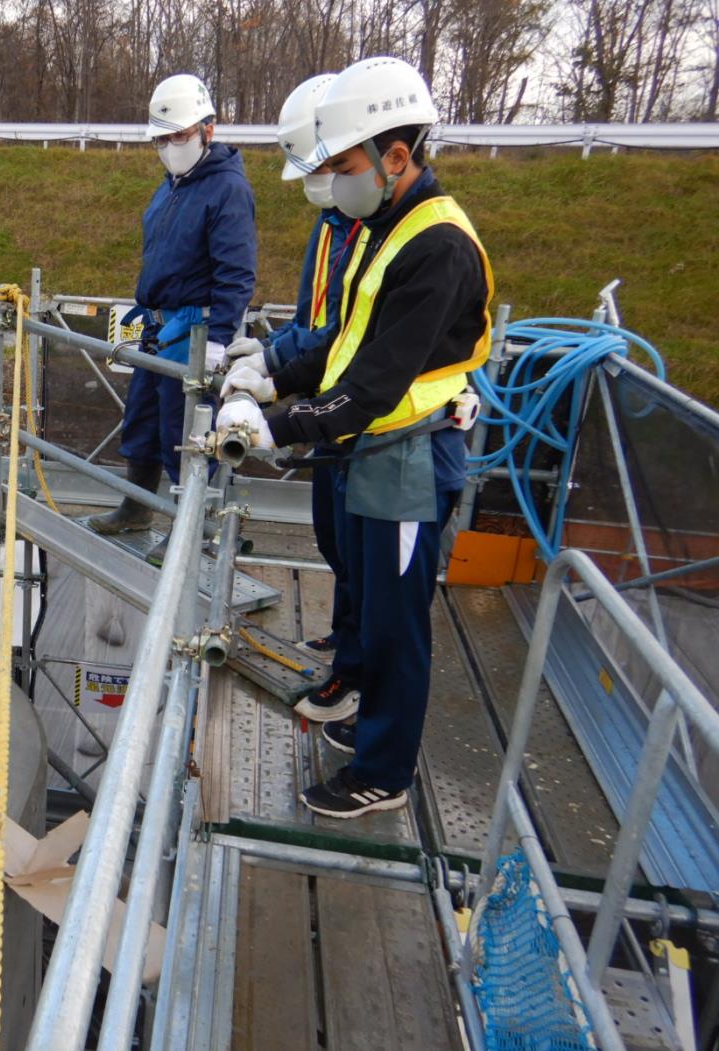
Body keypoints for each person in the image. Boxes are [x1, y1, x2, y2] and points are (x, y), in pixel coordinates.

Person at [215, 56, 492, 818]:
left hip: (405, 456)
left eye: (342, 164)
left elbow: (369, 388)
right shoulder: (385, 223)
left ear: (394, 157)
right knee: (370, 604)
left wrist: (271, 423)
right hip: (377, 448)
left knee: (397, 625)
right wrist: (274, 374)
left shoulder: (436, 247)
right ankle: (369, 725)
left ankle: (384, 771)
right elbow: (343, 341)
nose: (335, 181)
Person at [90, 72, 257, 562]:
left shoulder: (226, 190)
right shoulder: (173, 186)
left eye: (178, 135)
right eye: (161, 138)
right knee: (142, 422)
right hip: (159, 325)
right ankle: (136, 507)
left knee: (186, 435)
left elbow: (237, 273)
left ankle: (195, 529)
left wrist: (219, 340)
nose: (169, 146)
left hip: (196, 327)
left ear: (208, 128)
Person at [223, 73, 356, 658]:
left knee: (360, 549)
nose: (313, 183)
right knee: (334, 537)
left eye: (321, 169)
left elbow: (346, 335)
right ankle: (348, 642)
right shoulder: (333, 227)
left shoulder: (379, 237)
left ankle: (357, 666)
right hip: (327, 400)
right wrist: (272, 354)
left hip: (359, 413)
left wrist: (273, 375)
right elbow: (318, 321)